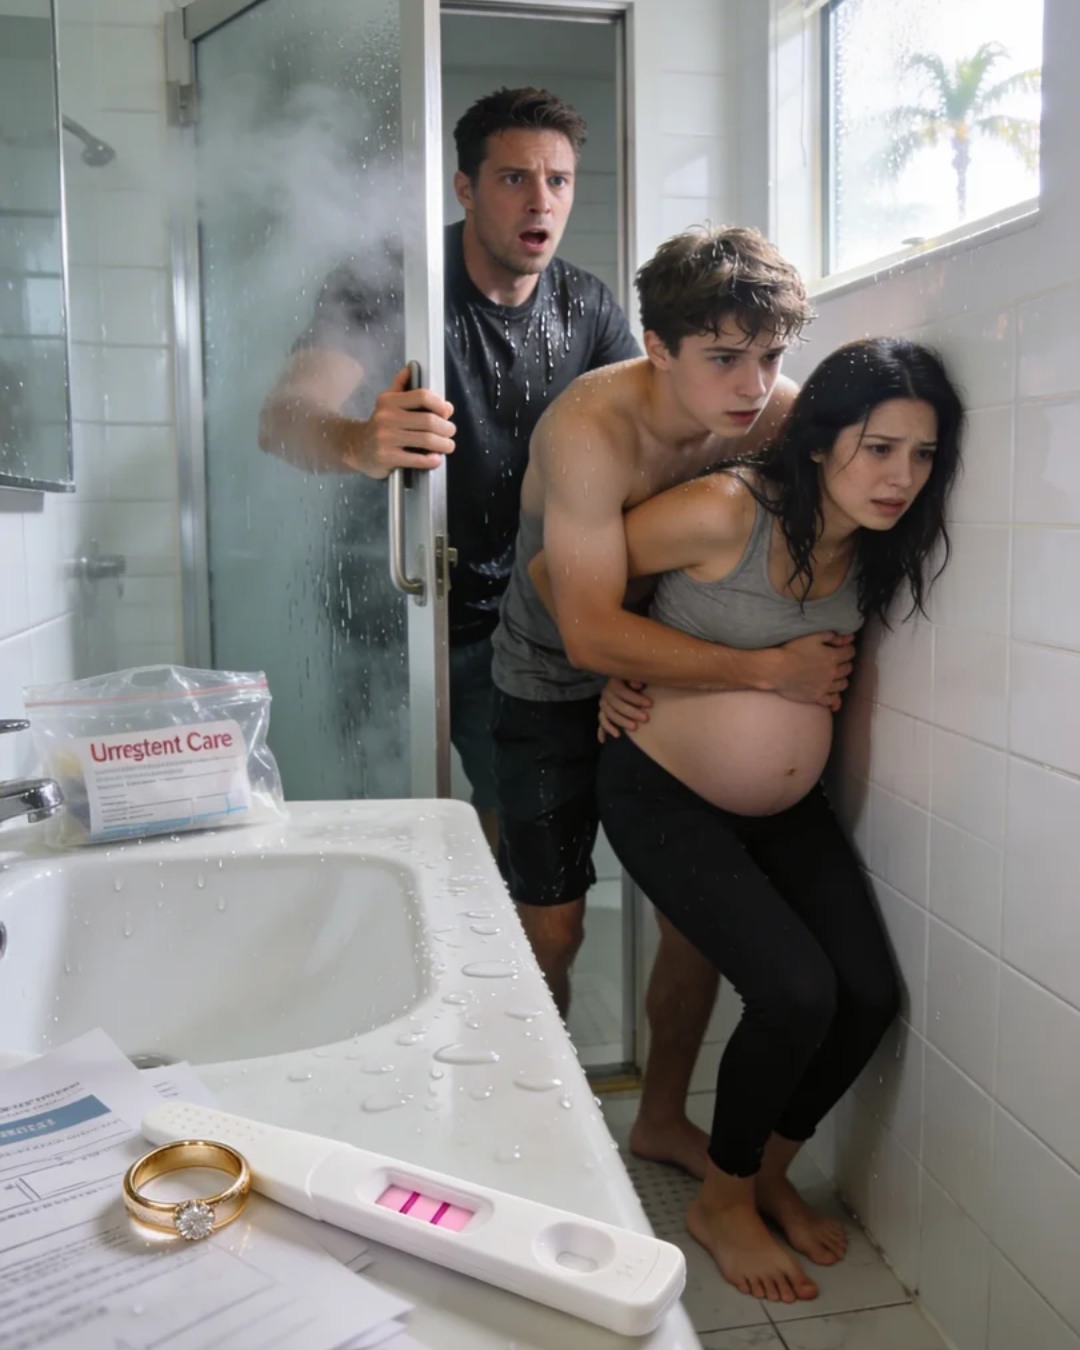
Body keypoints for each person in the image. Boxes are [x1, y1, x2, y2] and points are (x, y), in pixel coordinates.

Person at [583, 338, 965, 1304]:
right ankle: (721, 1205)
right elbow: (564, 578)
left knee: (866, 997)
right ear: (820, 441)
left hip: (787, 811)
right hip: (663, 793)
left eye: (923, 455)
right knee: (795, 993)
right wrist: (612, 671)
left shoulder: (875, 541)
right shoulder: (727, 510)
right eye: (879, 449)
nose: (901, 478)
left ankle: (762, 1175)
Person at [490, 226, 856, 1179]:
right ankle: (533, 1132)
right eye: (725, 358)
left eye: (771, 357)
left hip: (662, 669)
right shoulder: (590, 430)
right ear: (658, 347)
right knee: (554, 923)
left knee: (691, 927)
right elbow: (586, 633)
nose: (754, 384)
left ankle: (658, 1121)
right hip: (549, 672)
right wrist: (770, 672)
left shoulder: (773, 417)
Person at [258, 87, 639, 845]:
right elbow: (282, 419)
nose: (541, 201)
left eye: (558, 180)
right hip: (387, 612)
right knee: (378, 830)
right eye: (514, 178)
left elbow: (650, 446)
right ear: (465, 188)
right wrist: (357, 442)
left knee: (522, 829)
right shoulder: (392, 279)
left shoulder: (587, 307)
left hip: (516, 624)